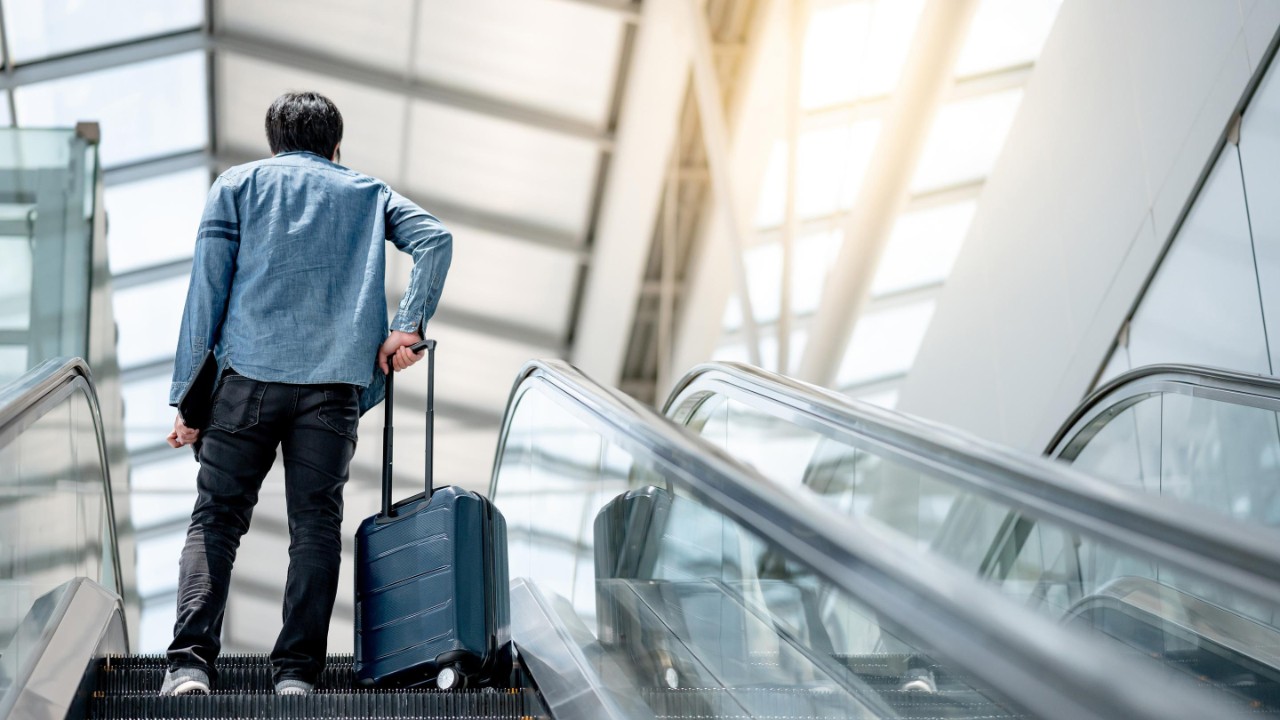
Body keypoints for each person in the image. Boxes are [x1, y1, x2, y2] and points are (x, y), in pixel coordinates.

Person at [160, 91, 452, 697]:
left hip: (246, 384)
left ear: (274, 142)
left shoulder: (238, 187)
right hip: (332, 392)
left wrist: (191, 405)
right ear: (335, 146)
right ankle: (296, 676)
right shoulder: (367, 193)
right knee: (316, 527)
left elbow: (205, 298)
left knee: (215, 521)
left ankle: (189, 665)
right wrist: (408, 324)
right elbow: (435, 239)